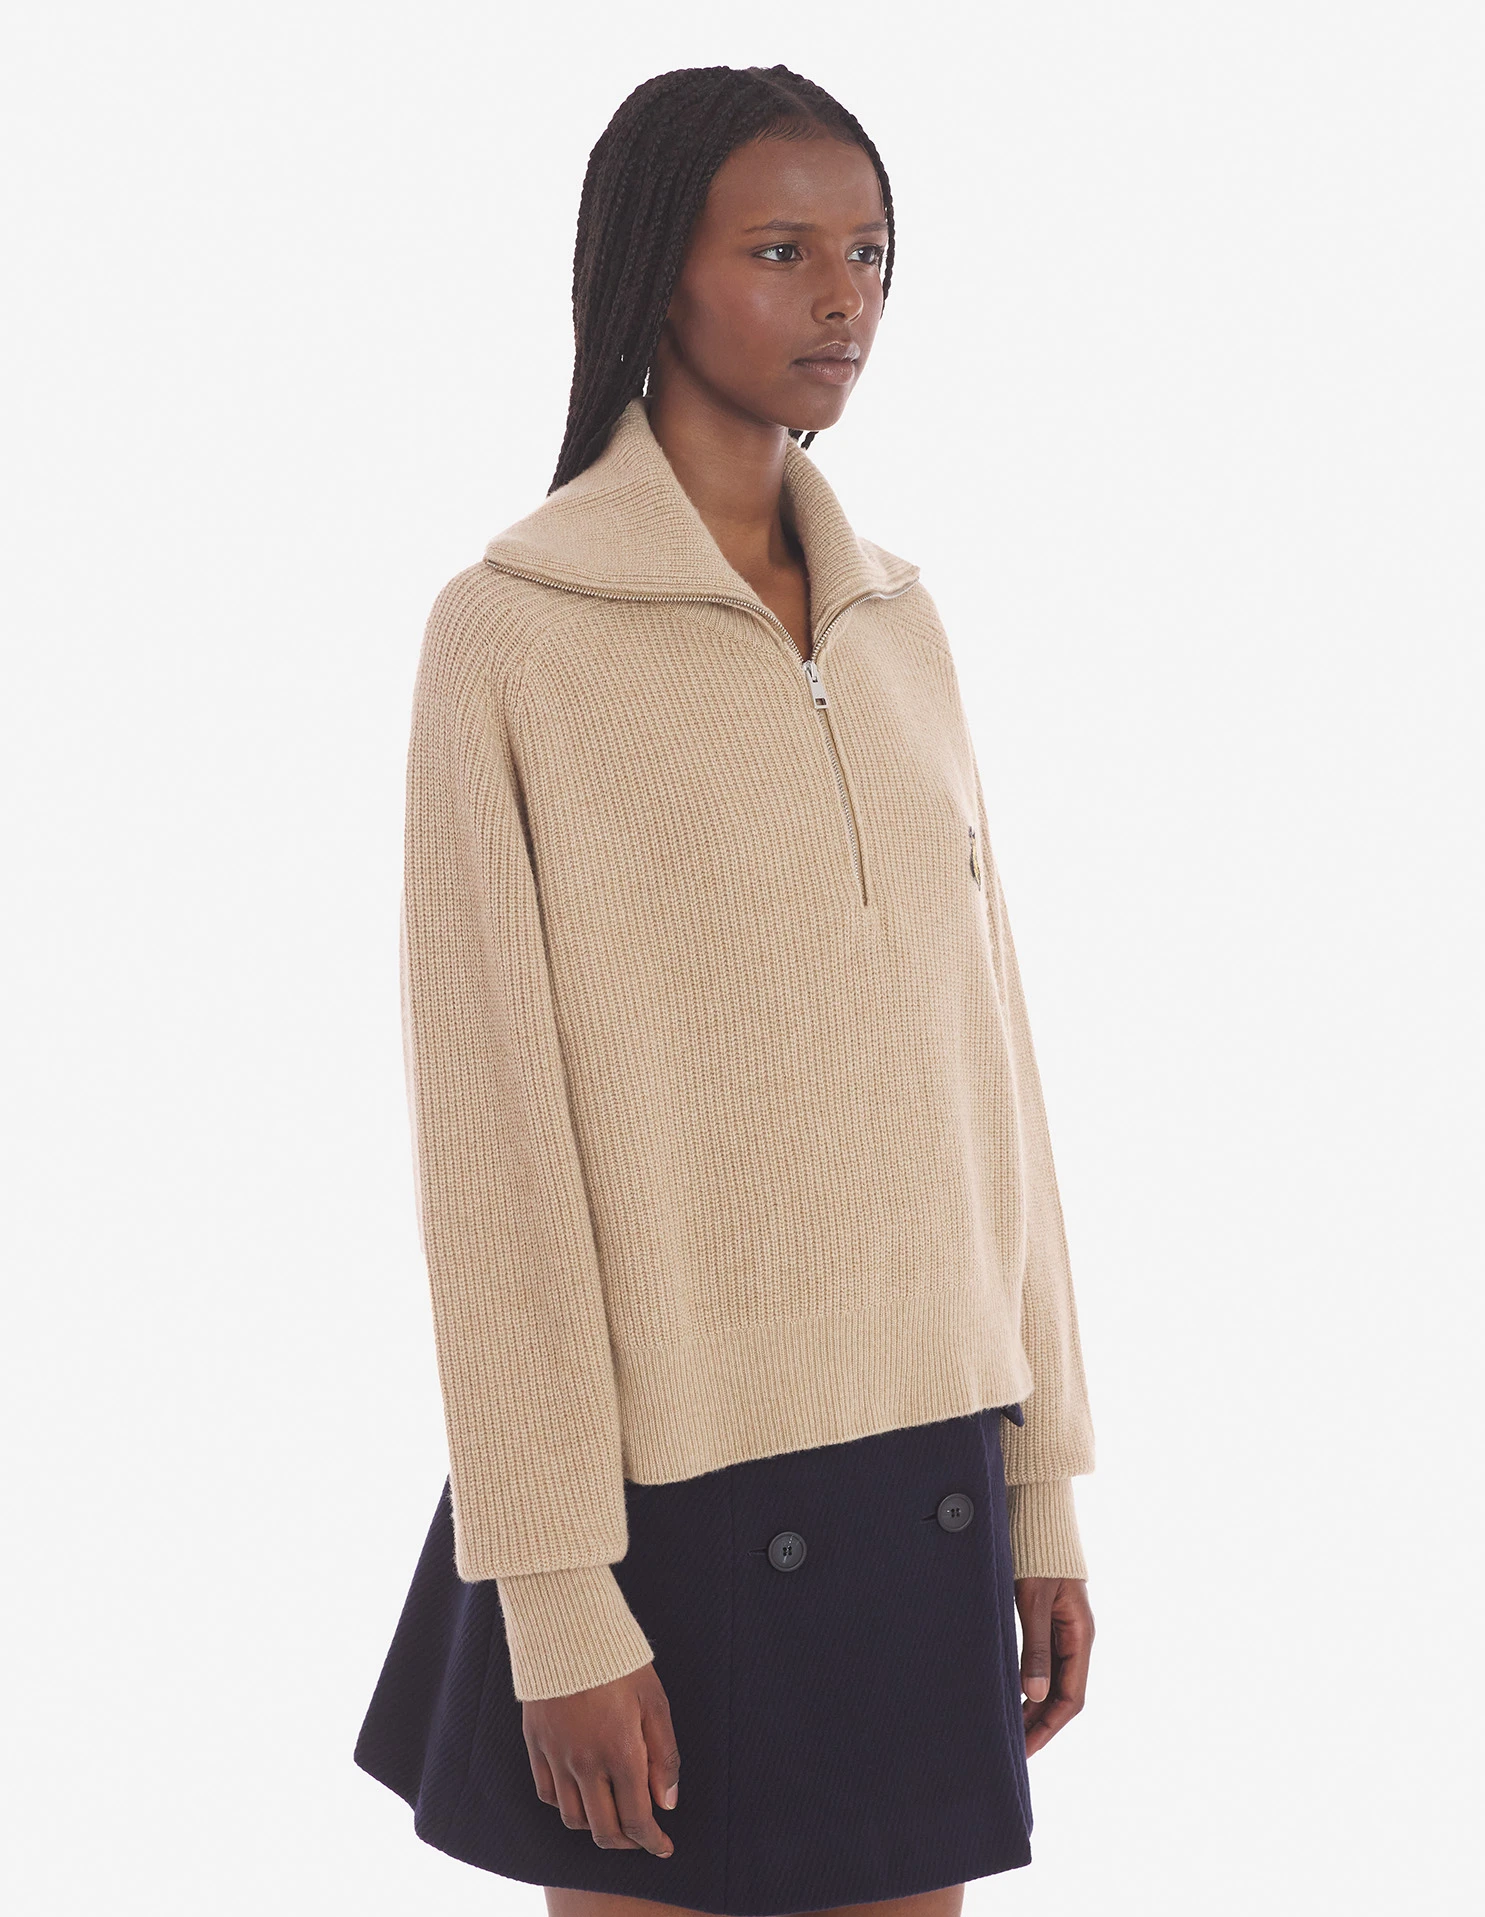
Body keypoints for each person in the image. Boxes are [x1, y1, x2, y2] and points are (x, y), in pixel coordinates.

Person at [354, 63, 1096, 1917]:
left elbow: (991, 1071)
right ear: (649, 273)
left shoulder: (903, 623)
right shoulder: (509, 634)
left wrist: (1044, 1488)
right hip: (657, 1502)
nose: (844, 298)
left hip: (925, 1471)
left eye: (872, 253)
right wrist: (552, 1591)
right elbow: (493, 1153)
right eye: (782, 252)